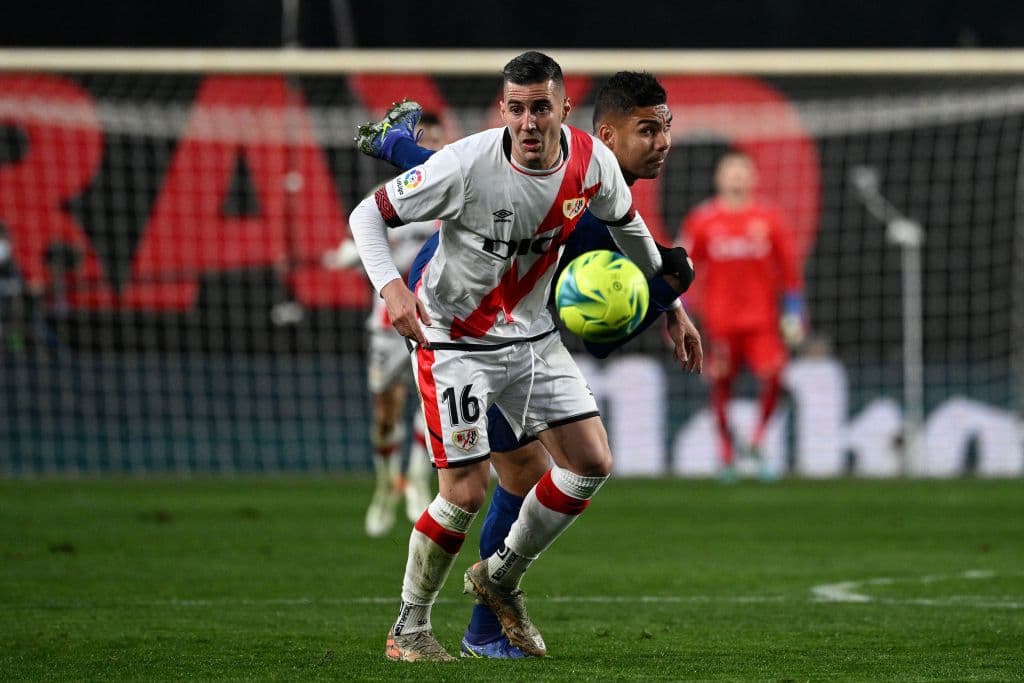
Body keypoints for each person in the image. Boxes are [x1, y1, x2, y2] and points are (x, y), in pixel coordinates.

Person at [348, 52, 700, 662]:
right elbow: (367, 215)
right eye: (517, 109)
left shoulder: (592, 164)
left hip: (531, 336)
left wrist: (670, 307)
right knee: (465, 491)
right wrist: (390, 287)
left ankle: (500, 577)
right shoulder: (469, 161)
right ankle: (409, 629)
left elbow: (631, 230)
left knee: (589, 461)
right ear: (502, 110)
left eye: (542, 107)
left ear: (565, 109)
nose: (530, 121)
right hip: (454, 334)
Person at [323, 113, 447, 536]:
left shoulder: (454, 190)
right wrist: (343, 256)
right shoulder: (385, 195)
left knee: (431, 402)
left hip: (437, 314)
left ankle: (416, 481)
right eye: (421, 137)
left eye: (435, 137)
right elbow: (356, 241)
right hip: (388, 319)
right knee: (385, 412)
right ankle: (384, 486)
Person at [679, 150, 807, 482]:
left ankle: (758, 440)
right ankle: (725, 454)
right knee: (721, 384)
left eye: (742, 172)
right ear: (719, 178)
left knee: (775, 375)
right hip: (720, 324)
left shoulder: (769, 219)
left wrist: (794, 312)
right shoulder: (703, 220)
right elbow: (683, 270)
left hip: (762, 322)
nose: (736, 177)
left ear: (753, 178)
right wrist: (681, 314)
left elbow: (791, 273)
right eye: (730, 171)